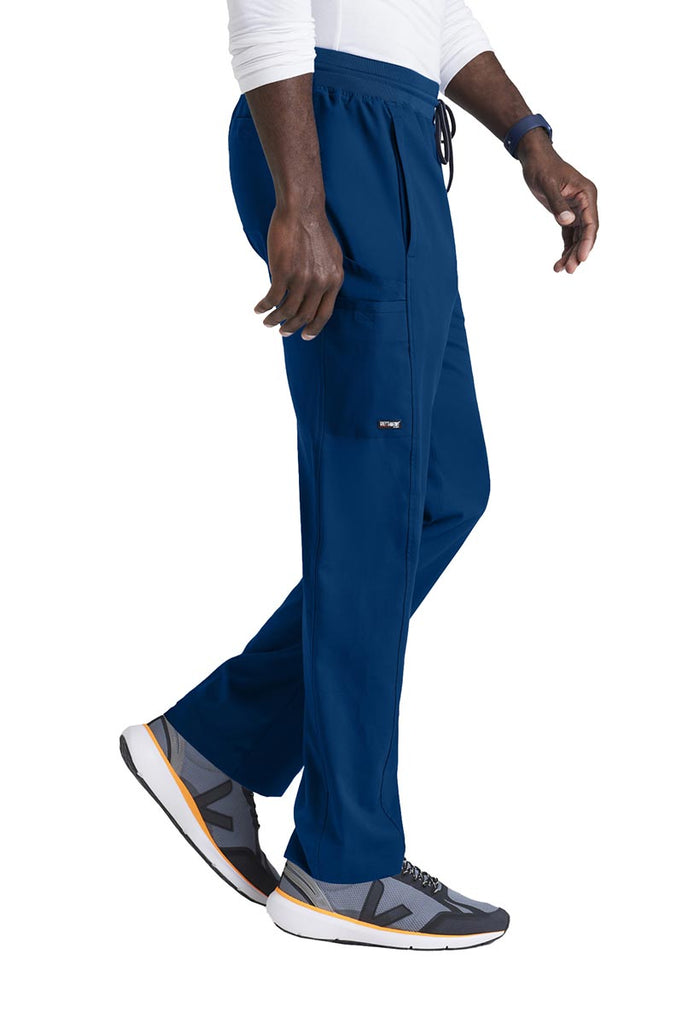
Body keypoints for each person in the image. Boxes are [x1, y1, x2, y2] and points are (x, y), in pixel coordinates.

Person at [121, 0, 598, 951]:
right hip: (332, 128)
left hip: (399, 140)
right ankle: (343, 863)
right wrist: (301, 200)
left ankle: (215, 744)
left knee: (442, 490)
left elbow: (435, 14)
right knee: (371, 499)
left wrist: (529, 140)